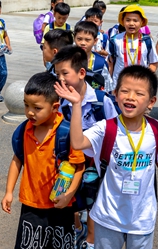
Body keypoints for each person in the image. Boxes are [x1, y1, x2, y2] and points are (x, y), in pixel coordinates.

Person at [55, 65, 158, 249]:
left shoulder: (156, 130)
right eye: (125, 91)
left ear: (151, 102)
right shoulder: (106, 127)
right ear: (116, 93)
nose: (130, 97)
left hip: (142, 217)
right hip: (108, 215)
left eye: (139, 94)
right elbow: (78, 143)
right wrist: (77, 105)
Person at [1, 73, 85, 249]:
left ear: (55, 107)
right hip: (31, 206)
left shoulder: (67, 133)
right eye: (26, 105)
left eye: (37, 108)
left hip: (60, 205)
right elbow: (17, 160)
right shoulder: (24, 130)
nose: (30, 112)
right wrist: (9, 192)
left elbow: (79, 167)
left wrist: (68, 195)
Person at [51, 45, 117, 249]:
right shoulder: (61, 100)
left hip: (97, 162)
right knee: (70, 196)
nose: (60, 79)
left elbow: (114, 130)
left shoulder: (100, 100)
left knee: (94, 201)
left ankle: (90, 240)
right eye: (57, 73)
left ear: (81, 73)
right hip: (71, 160)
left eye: (65, 73)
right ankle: (76, 228)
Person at [107, 5, 158, 93]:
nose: (131, 23)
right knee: (118, 106)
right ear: (123, 21)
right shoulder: (115, 40)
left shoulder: (147, 40)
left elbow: (154, 62)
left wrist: (146, 78)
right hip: (119, 84)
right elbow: (110, 64)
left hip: (140, 84)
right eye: (128, 20)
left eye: (135, 20)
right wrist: (109, 85)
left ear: (142, 22)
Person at [73, 21, 109, 91]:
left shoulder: (100, 63)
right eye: (79, 39)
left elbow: (107, 87)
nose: (83, 43)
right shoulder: (67, 59)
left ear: (95, 41)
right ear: (74, 38)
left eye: (87, 40)